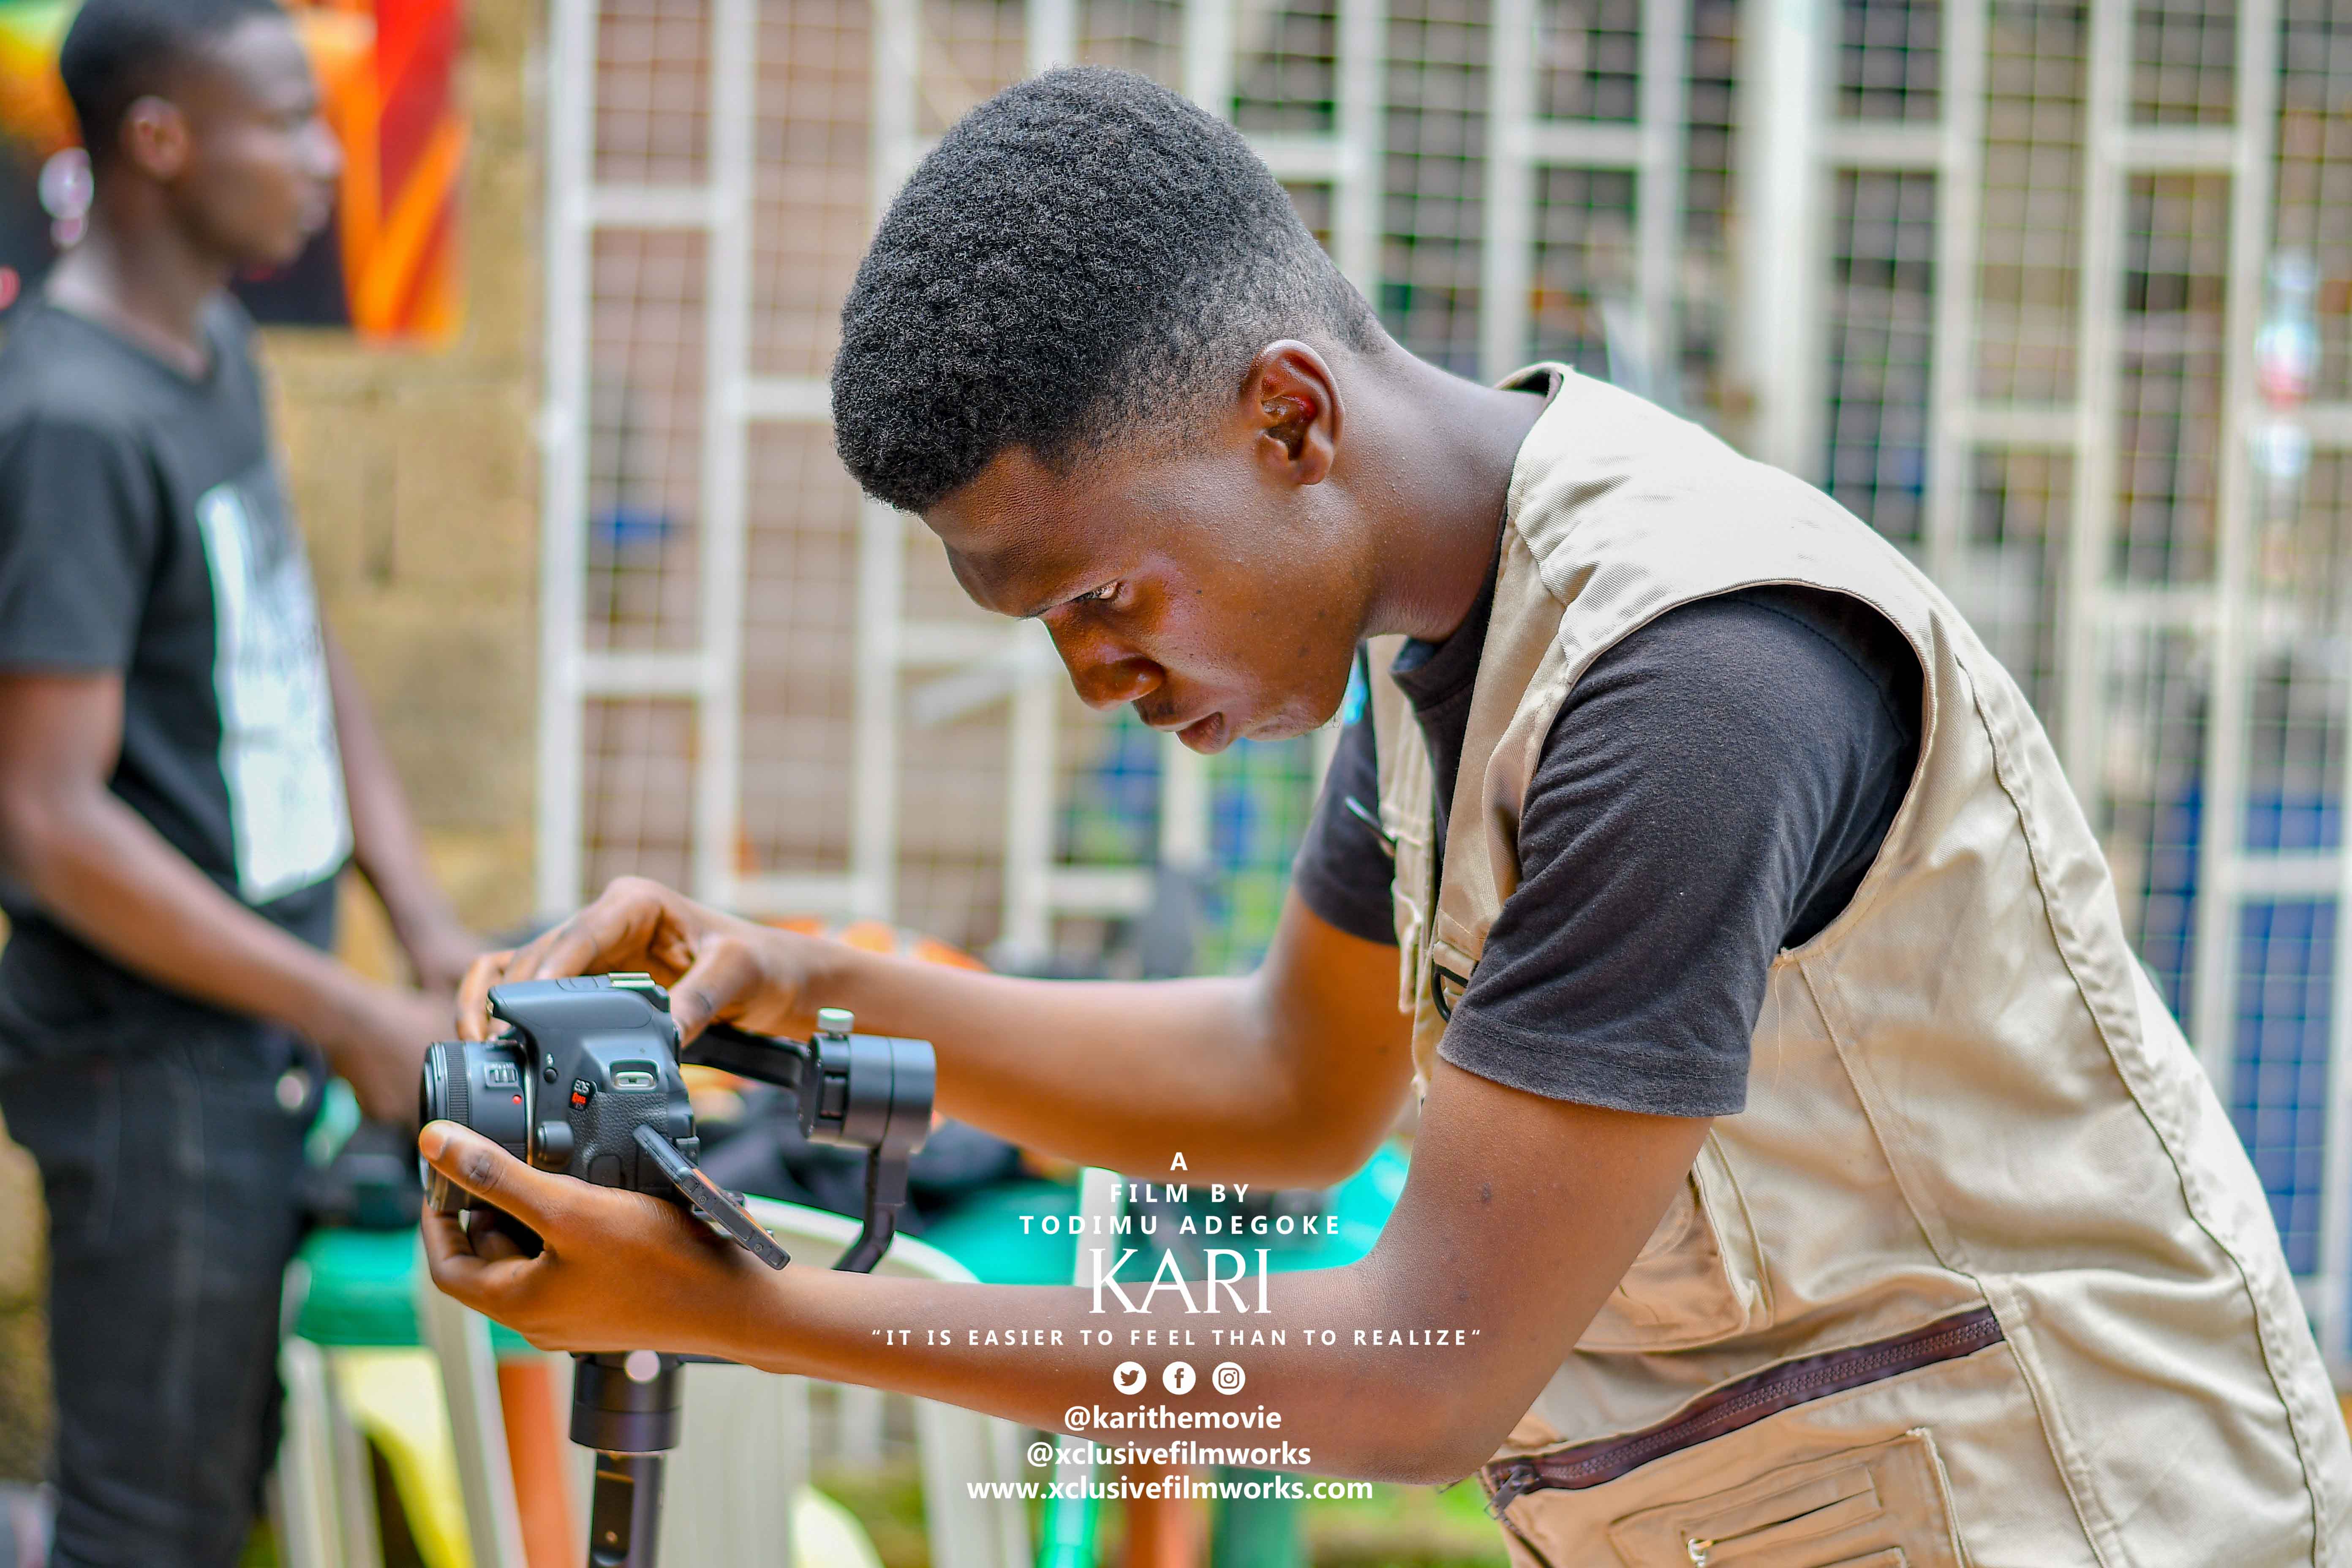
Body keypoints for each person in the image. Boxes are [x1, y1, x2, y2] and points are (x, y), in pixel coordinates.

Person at [420, 67, 2352, 1565]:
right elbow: (1284, 1080)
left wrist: (754, 1315)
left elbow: (1421, 1371)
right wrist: (800, 981)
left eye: (1102, 597)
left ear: (1289, 418)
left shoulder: (1691, 689)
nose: (1096, 674)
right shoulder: (1446, 642)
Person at [0, 2, 473, 1563]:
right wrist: (346, 1015)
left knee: (226, 1480)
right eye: (287, 122)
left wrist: (414, 914)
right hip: (146, 1076)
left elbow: (288, 625)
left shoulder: (213, 348)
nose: (329, 164)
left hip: (252, 1031)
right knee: (150, 1524)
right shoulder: (68, 417)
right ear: (160, 140)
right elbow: (47, 822)